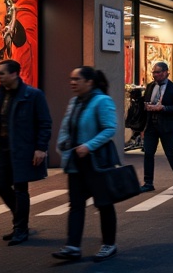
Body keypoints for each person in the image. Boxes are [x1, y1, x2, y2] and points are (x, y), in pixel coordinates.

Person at [54, 66, 119, 261]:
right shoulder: (74, 102)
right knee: (76, 204)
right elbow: (66, 126)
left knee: (104, 203)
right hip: (76, 162)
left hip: (96, 162)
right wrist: (63, 145)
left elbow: (110, 129)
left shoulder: (102, 101)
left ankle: (109, 244)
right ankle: (73, 246)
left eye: (77, 79)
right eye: (71, 79)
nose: (72, 83)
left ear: (89, 82)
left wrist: (89, 146)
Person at [0, 58, 51, 245]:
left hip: (22, 148)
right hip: (1, 148)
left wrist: (40, 148)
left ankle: (20, 228)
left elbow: (44, 123)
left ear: (14, 74)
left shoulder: (33, 95)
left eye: (1, 73)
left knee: (21, 188)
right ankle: (20, 220)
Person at [139, 61, 173, 194]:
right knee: (148, 153)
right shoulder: (150, 87)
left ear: (166, 72)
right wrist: (146, 107)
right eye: (153, 72)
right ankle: (148, 182)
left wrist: (163, 108)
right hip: (151, 125)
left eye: (158, 72)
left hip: (167, 125)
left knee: (170, 153)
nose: (155, 75)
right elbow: (145, 104)